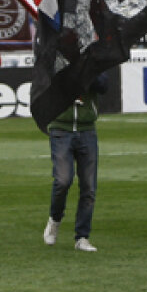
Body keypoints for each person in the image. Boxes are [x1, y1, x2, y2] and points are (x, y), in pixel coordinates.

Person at [43, 73, 107, 252]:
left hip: (87, 129)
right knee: (63, 180)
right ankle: (55, 219)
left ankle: (82, 237)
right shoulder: (56, 61)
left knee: (89, 187)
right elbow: (48, 85)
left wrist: (86, 76)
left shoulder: (92, 61)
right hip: (61, 128)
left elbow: (103, 85)